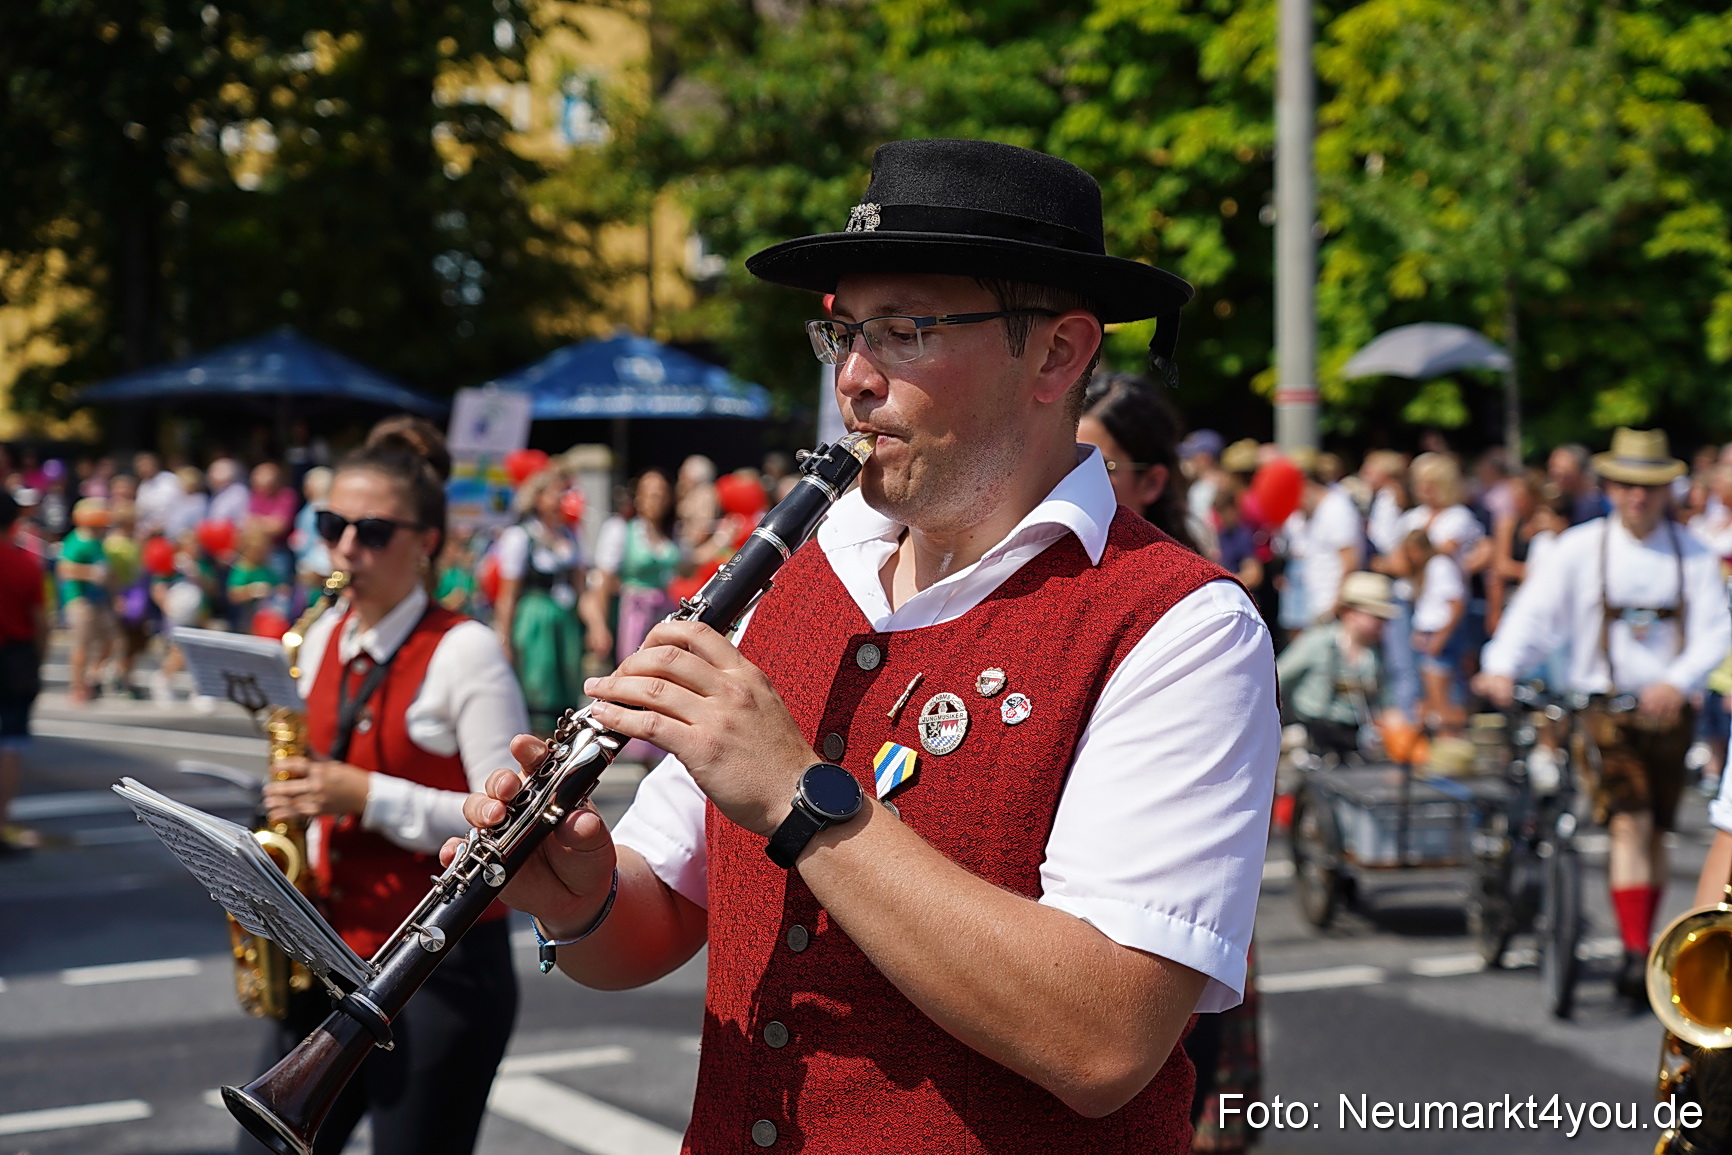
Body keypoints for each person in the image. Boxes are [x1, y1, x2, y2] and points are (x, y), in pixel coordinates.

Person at [455, 138, 1277, 1150]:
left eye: (905, 331)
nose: (852, 379)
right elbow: (660, 913)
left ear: (1059, 354)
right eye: (841, 333)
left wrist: (800, 796)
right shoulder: (791, 580)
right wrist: (578, 901)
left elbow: (1104, 1041)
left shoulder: (1180, 623)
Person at [244, 419, 529, 1155]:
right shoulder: (321, 635)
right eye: (330, 525)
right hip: (326, 954)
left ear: (426, 540)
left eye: (370, 531)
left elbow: (513, 829)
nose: (344, 549)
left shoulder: (466, 650)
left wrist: (366, 796)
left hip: (437, 975)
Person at [1477, 428, 1732, 1006]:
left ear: (1667, 489)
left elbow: (1717, 627)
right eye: (1626, 485)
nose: (1637, 498)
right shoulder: (1580, 547)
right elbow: (1535, 615)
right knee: (1630, 821)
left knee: (1658, 831)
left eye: (1649, 487)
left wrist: (1679, 680)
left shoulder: (1690, 551)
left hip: (1667, 715)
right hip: (1603, 711)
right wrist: (1500, 665)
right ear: (1610, 486)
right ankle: (1635, 951)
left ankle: (1639, 940)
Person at [493, 467, 588, 732]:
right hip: (534, 621)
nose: (562, 499)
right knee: (538, 687)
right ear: (537, 497)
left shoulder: (571, 536)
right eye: (555, 493)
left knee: (567, 688)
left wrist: (596, 627)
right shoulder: (521, 536)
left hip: (565, 621)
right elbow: (508, 594)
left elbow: (582, 589)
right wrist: (504, 638)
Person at [1078, 372, 1209, 556]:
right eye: (1065, 464)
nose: (1073, 481)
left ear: (1151, 483)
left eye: (1099, 467)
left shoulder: (1190, 581)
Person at [1276, 571, 1400, 760]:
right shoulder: (1317, 642)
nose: (1382, 624)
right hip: (1310, 738)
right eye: (1376, 616)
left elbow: (1384, 701)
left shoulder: (1376, 655)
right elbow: (1277, 678)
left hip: (1353, 742)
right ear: (1351, 613)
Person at [581, 468, 680, 665]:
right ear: (638, 497)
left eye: (661, 494)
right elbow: (604, 580)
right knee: (633, 665)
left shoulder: (670, 534)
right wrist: (600, 627)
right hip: (632, 611)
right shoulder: (621, 529)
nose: (656, 500)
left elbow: (688, 564)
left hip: (662, 610)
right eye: (651, 494)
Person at [0, 492, 45, 855]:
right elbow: (40, 622)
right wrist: (38, 662)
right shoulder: (25, 564)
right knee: (11, 742)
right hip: (15, 657)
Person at [1403, 529, 1468, 735]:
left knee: (1443, 697)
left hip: (1440, 634)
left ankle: (1450, 740)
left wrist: (1441, 638)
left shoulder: (1440, 566)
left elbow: (1456, 604)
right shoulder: (1426, 570)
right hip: (1428, 634)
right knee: (1431, 697)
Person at [58, 497, 114, 704]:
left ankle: (92, 674)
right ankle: (77, 686)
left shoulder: (97, 542)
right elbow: (65, 569)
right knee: (82, 644)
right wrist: (90, 573)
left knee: (110, 641)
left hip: (99, 599)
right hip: (80, 599)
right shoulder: (76, 541)